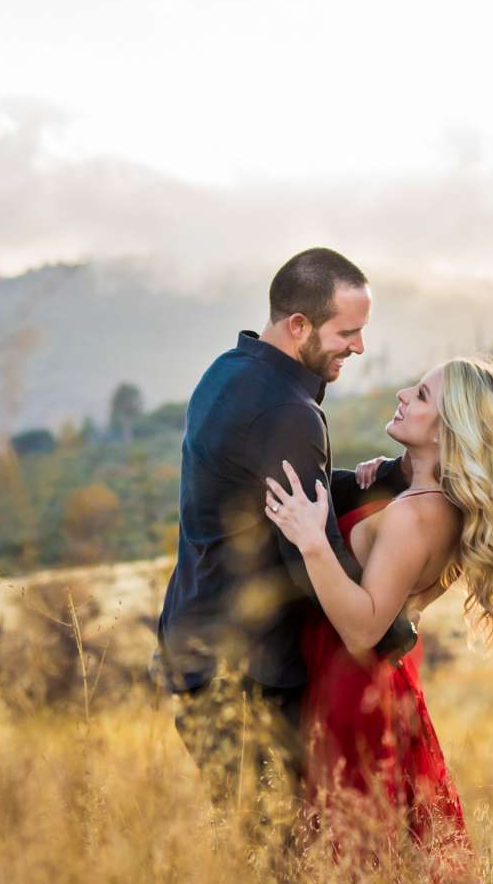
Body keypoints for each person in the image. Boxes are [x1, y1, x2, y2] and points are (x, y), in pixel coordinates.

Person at [156, 248, 419, 851]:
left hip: (200, 649)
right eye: (346, 333)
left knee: (265, 845)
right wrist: (392, 632)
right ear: (298, 325)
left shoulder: (230, 369)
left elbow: (279, 493)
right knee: (284, 856)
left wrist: (375, 479)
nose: (357, 348)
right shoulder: (287, 410)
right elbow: (310, 551)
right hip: (248, 670)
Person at [262, 354, 493, 884]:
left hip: (352, 694)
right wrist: (382, 483)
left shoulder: (415, 515)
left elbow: (362, 629)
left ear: (450, 433)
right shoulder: (435, 505)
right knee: (390, 869)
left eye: (422, 396)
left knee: (356, 873)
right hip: (376, 689)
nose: (403, 394)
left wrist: (311, 541)